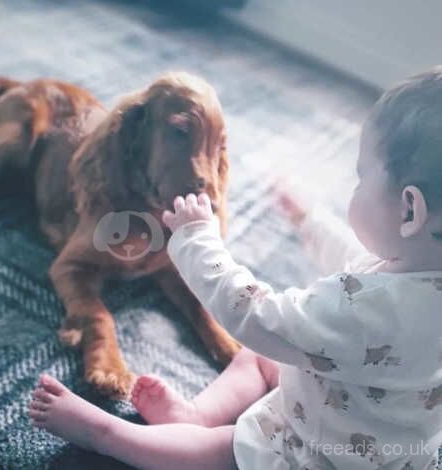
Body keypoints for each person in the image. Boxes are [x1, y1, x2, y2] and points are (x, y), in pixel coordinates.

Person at [28, 67, 442, 469]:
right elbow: (358, 257)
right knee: (257, 362)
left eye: (361, 177)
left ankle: (106, 435)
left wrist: (195, 239)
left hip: (316, 454)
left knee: (222, 448)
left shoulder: (364, 315)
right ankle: (195, 413)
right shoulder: (419, 274)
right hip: (371, 426)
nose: (355, 186)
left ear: (409, 209)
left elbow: (257, 315)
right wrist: (308, 219)